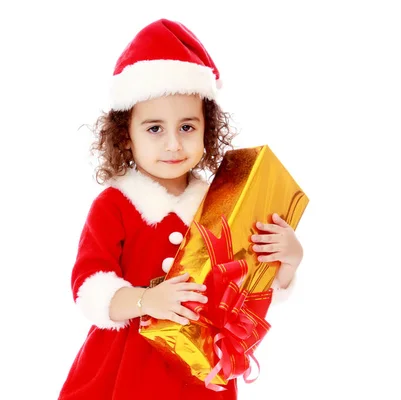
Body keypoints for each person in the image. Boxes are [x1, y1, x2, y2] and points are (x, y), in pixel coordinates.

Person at [58, 18, 304, 400]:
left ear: (207, 128)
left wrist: (286, 261)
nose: (173, 144)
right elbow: (90, 288)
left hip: (199, 373)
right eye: (155, 129)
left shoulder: (222, 202)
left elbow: (245, 286)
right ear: (126, 136)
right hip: (125, 370)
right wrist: (145, 301)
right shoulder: (115, 205)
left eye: (187, 127)